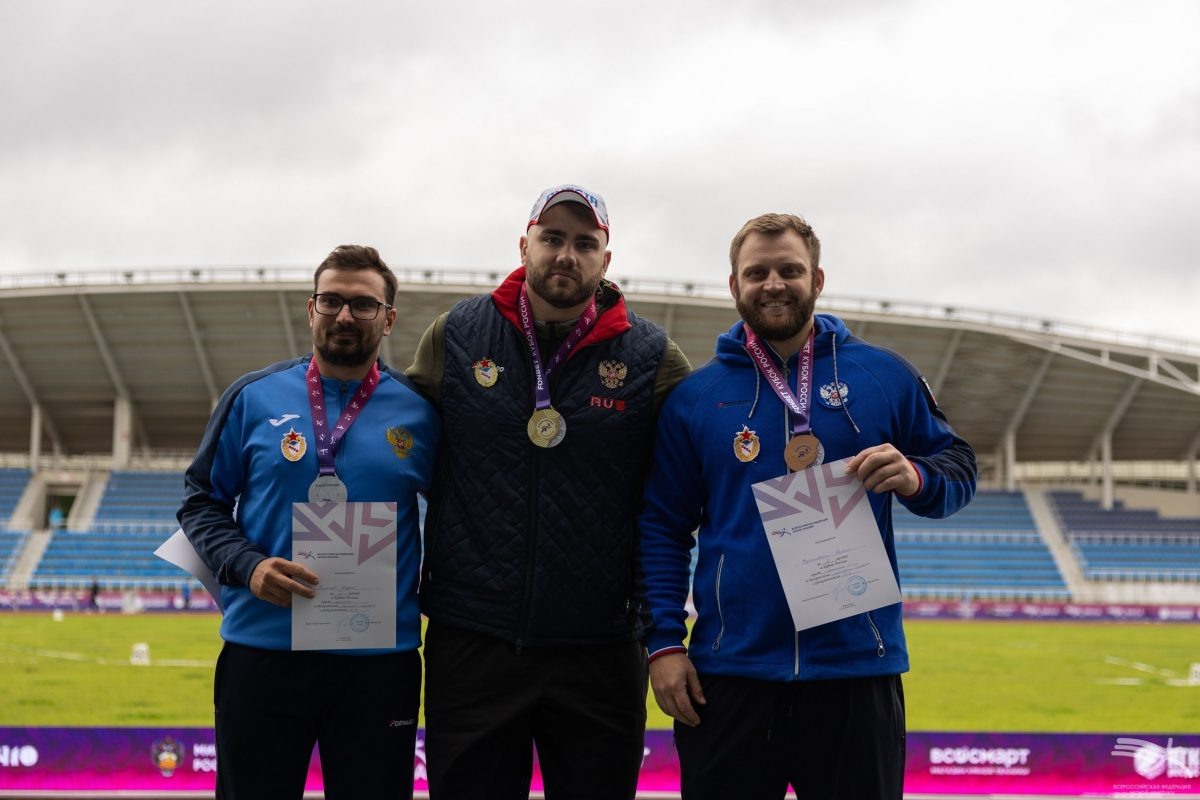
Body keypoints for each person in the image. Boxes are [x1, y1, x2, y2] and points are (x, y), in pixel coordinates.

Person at [639, 213, 977, 800]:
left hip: (856, 674)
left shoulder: (884, 376)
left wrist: (917, 476)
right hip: (730, 676)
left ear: (817, 278)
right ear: (734, 285)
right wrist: (664, 644)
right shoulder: (695, 398)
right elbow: (662, 528)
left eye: (790, 270)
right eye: (757, 272)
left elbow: (959, 468)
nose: (774, 283)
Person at [406, 184, 691, 799]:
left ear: (606, 260)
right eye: (553, 238)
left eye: (585, 243)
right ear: (524, 243)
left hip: (600, 648)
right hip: (472, 639)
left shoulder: (653, 357)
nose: (567, 254)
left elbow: (687, 486)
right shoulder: (456, 334)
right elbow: (390, 441)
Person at [177, 245, 437, 800]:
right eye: (331, 300)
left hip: (378, 664)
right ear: (310, 309)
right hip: (263, 655)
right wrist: (248, 567)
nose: (345, 315)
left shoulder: (422, 412)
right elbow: (201, 501)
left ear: (389, 319)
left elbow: (458, 519)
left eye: (364, 305)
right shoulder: (252, 397)